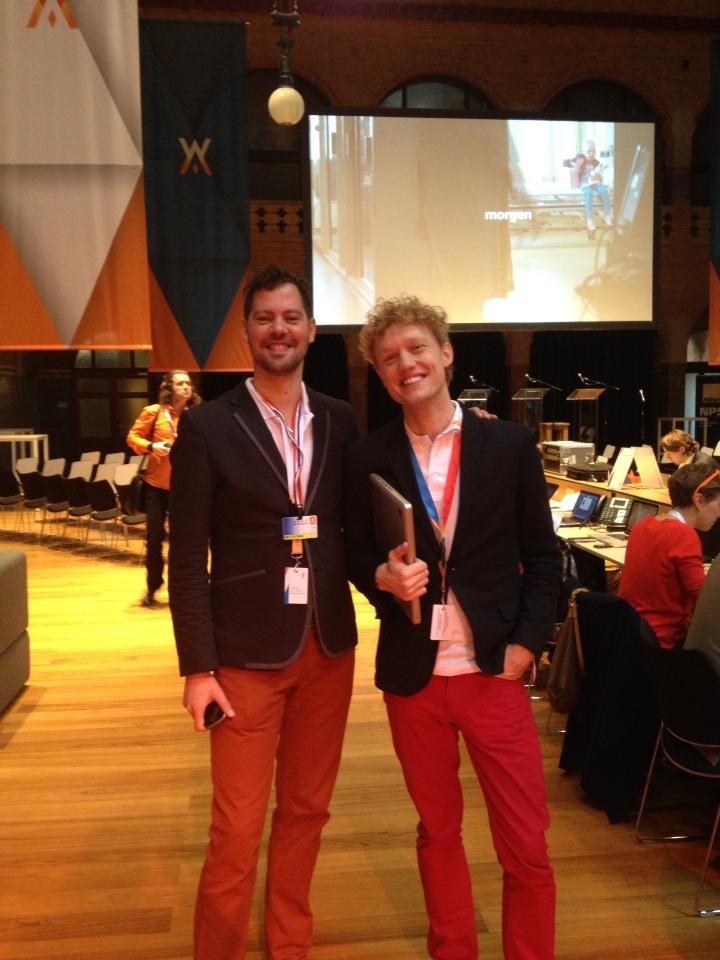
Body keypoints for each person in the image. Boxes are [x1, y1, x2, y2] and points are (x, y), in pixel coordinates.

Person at [344, 294, 561, 960]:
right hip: (414, 680)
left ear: (445, 352)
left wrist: (526, 645)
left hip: (493, 671)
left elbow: (544, 557)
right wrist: (381, 578)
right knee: (437, 833)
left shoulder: (509, 445)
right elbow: (355, 554)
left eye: (416, 348)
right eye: (389, 358)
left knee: (525, 844)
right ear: (381, 376)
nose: (405, 364)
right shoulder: (368, 456)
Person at [168, 265, 358, 960]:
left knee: (307, 813)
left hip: (328, 649)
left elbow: (357, 523)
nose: (279, 329)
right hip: (244, 655)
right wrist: (198, 668)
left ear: (312, 330)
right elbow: (186, 559)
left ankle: (289, 947)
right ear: (246, 332)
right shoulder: (207, 427)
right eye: (265, 318)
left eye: (291, 317)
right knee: (237, 828)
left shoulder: (339, 419)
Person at [618, 463, 720, 649]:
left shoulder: (643, 525)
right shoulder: (684, 535)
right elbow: (703, 598)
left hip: (628, 634)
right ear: (699, 500)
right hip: (662, 643)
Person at [126, 370, 201, 607]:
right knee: (154, 538)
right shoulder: (153, 412)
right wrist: (152, 446)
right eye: (181, 384)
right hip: (156, 487)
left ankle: (182, 588)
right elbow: (132, 438)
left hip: (185, 489)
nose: (186, 387)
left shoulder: (197, 415)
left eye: (188, 383)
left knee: (183, 542)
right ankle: (152, 587)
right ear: (169, 388)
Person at [573, 141, 612, 236]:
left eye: (593, 151)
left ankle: (607, 214)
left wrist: (599, 176)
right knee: (589, 193)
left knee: (604, 190)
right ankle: (589, 219)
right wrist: (578, 165)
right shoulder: (581, 162)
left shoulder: (596, 162)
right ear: (583, 152)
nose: (591, 153)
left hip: (595, 183)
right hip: (585, 184)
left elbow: (600, 176)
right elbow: (576, 173)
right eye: (588, 151)